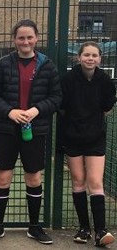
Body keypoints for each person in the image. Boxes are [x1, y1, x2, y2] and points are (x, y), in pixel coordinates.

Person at [0, 19, 61, 245]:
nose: (25, 41)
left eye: (29, 37)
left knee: (34, 177)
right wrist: (10, 112)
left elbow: (56, 97)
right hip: (6, 130)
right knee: (3, 177)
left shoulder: (47, 66)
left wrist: (37, 110)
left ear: (36, 38)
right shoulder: (3, 64)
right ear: (14, 40)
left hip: (35, 131)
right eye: (21, 37)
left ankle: (34, 227)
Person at [60, 41, 116, 247]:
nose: (90, 58)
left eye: (94, 55)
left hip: (95, 138)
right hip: (73, 137)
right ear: (79, 57)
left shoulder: (105, 81)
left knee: (95, 182)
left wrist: (92, 122)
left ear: (100, 59)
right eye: (86, 55)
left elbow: (107, 107)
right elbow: (63, 106)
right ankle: (84, 228)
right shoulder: (69, 79)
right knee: (78, 181)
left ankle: (100, 231)